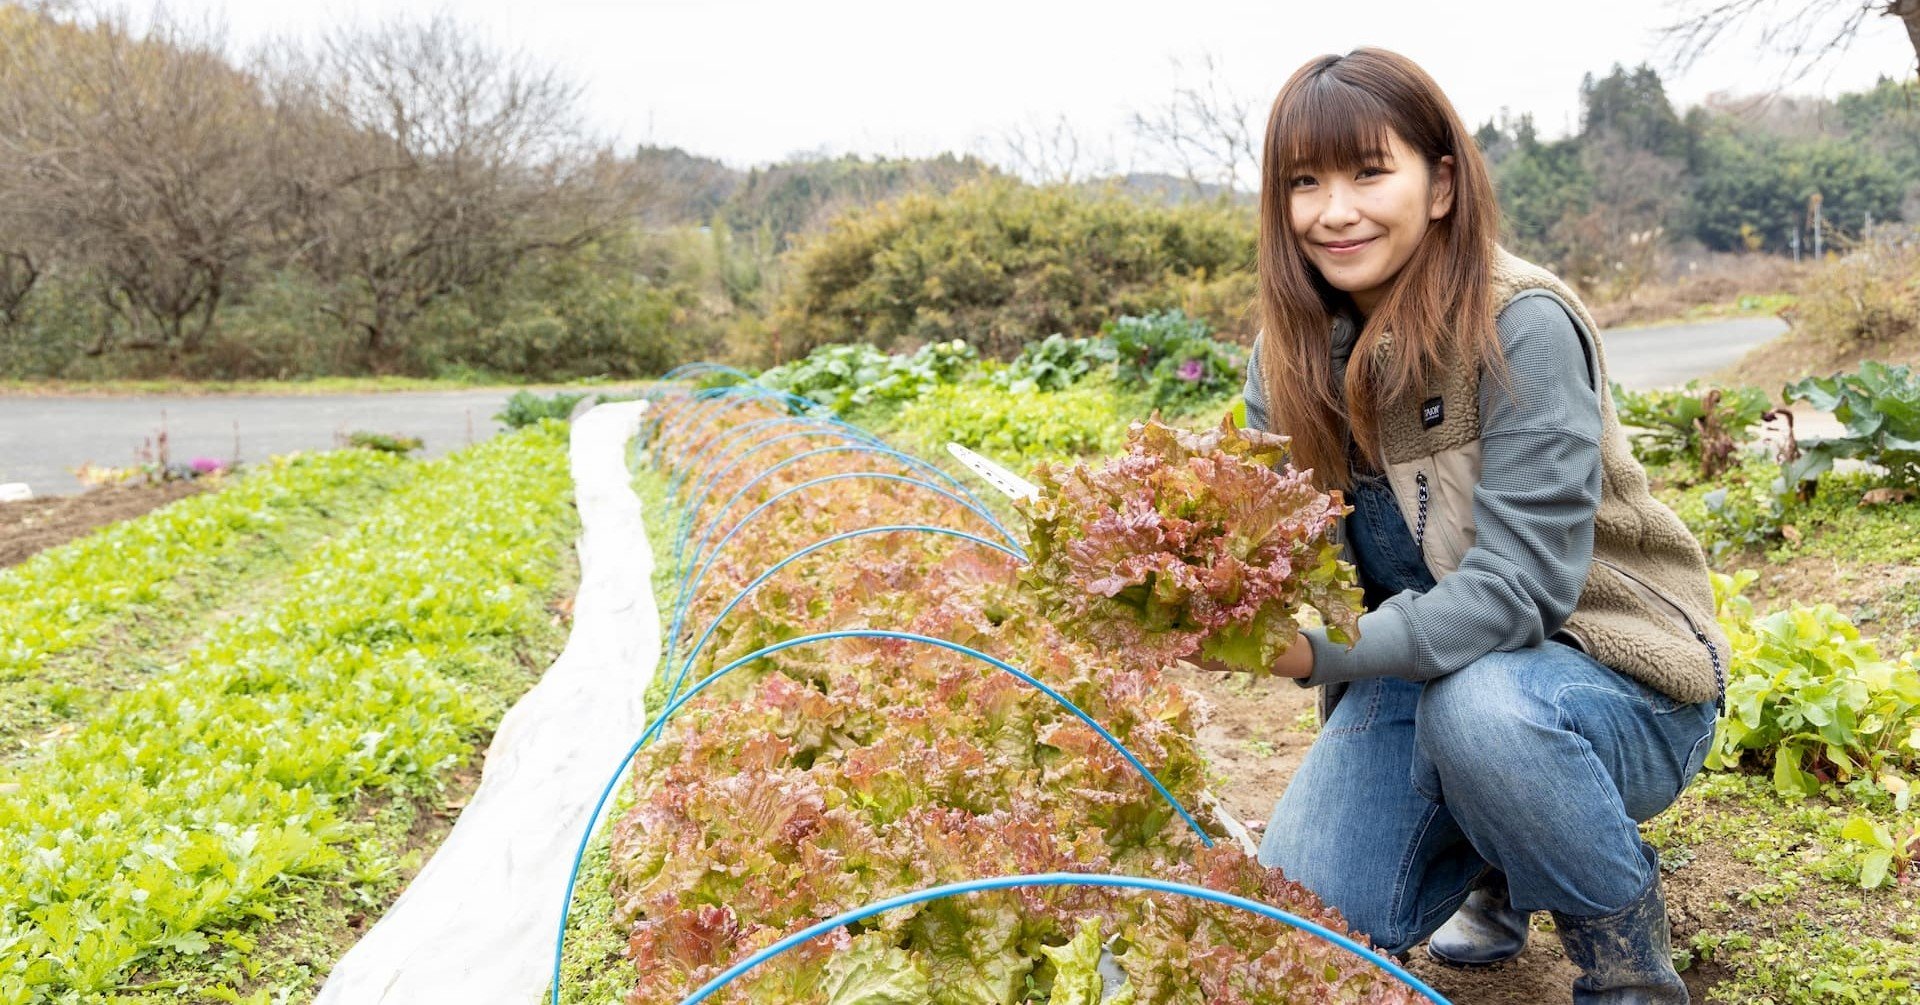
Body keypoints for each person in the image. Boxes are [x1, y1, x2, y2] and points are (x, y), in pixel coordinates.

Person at [1197, 48, 1726, 1004]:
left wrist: (1316, 650)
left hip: (1605, 679)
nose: (1334, 210)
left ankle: (1621, 953)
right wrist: (1191, 590)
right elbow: (1270, 547)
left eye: (1368, 171)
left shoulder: (1518, 322)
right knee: (1293, 929)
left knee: (1481, 708)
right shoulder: (1285, 361)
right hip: (1416, 677)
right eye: (1302, 182)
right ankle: (1491, 857)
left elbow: (1520, 590)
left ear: (1440, 183)